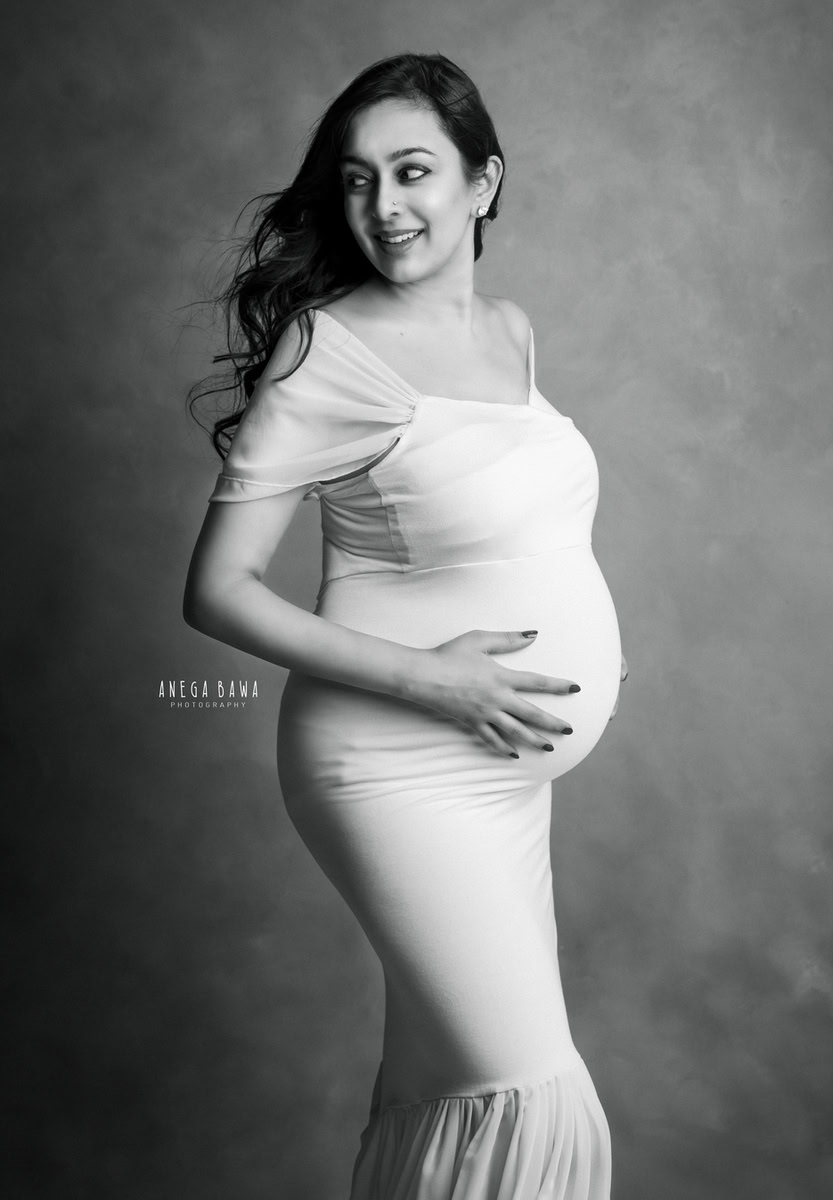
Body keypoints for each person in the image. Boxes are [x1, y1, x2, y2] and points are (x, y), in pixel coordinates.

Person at [184, 51, 626, 1200]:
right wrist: (432, 679)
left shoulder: (512, 331)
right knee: (531, 1098)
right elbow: (217, 589)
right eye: (357, 178)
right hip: (394, 763)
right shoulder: (328, 351)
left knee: (443, 1097)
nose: (383, 205)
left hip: (503, 772)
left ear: (483, 181)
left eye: (413, 170)